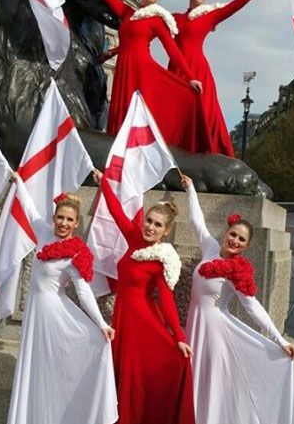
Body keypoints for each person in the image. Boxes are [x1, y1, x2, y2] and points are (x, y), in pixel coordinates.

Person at [181, 174, 294, 424]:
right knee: (192, 380)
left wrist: (279, 339)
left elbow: (252, 306)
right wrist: (190, 188)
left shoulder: (238, 270)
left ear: (246, 246)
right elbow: (197, 220)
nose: (235, 241)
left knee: (209, 386)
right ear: (226, 232)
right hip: (195, 327)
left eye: (241, 239)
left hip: (215, 334)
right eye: (233, 234)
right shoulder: (210, 248)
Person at [69, 0, 214, 154]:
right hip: (124, 70)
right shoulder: (127, 12)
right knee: (119, 118)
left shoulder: (157, 19)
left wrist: (190, 77)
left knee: (136, 118)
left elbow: (173, 51)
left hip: (142, 73)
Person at [93, 168, 196, 424]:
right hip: (123, 318)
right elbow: (116, 211)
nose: (150, 227)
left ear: (166, 231)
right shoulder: (134, 237)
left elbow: (166, 299)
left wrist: (179, 338)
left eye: (157, 225)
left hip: (142, 322)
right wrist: (104, 183)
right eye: (149, 221)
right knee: (122, 376)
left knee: (137, 377)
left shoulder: (162, 259)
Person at [7, 188, 118, 424]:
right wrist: (18, 183)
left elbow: (84, 292)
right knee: (35, 368)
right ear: (54, 218)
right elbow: (29, 210)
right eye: (60, 217)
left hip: (52, 315)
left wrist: (101, 323)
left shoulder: (75, 254)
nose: (64, 223)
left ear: (76, 223)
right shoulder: (44, 233)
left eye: (69, 220)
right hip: (36, 312)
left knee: (50, 371)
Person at [169, 0, 289, 156]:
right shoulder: (174, 18)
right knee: (173, 119)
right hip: (176, 73)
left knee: (202, 120)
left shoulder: (210, 15)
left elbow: (242, 0)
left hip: (198, 73)